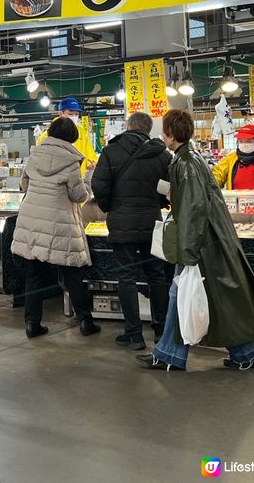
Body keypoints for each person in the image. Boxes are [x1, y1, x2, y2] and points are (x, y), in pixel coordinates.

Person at [137, 109, 254, 371]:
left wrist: (188, 252)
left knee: (182, 293)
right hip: (210, 239)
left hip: (200, 243)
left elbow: (193, 210)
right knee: (211, 297)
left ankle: (169, 355)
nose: (163, 136)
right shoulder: (191, 158)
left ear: (172, 134)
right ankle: (247, 353)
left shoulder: (185, 164)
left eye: (165, 131)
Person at [11, 117, 100, 338]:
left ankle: (32, 324)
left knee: (34, 275)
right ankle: (85, 321)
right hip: (60, 222)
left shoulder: (35, 155)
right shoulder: (71, 161)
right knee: (72, 272)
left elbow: (24, 185)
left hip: (32, 221)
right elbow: (78, 195)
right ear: (72, 138)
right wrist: (88, 179)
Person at [92, 112, 171, 349]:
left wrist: (110, 207)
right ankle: (160, 331)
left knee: (126, 277)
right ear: (149, 129)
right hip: (151, 222)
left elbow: (98, 184)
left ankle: (134, 334)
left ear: (127, 127)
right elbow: (169, 187)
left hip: (121, 223)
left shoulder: (110, 151)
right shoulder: (163, 155)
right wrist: (158, 203)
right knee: (156, 275)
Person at [37, 97, 97, 174]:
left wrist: (91, 165)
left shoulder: (82, 133)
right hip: (56, 181)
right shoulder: (46, 136)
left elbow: (90, 156)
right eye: (70, 114)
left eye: (76, 114)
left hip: (78, 179)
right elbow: (39, 160)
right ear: (60, 114)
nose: (74, 117)